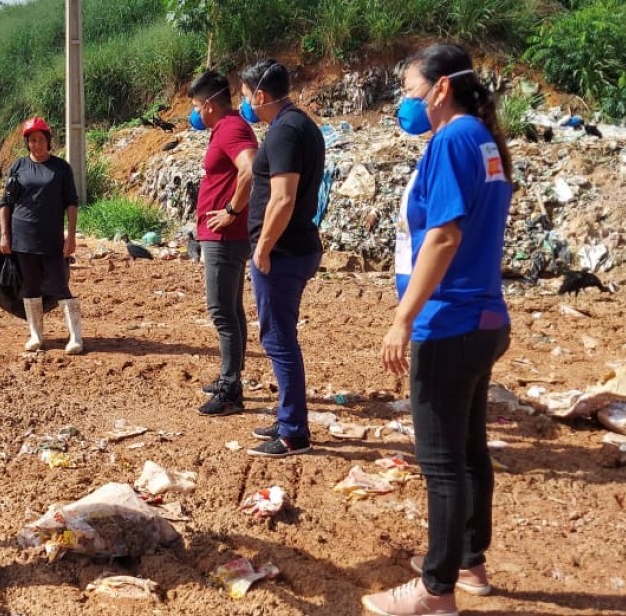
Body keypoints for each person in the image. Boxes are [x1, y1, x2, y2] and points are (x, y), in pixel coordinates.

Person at [360, 44, 513, 616]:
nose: (406, 99)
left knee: (442, 461)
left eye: (409, 87)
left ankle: (434, 590)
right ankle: (469, 560)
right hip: (483, 318)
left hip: (447, 321)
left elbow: (444, 236)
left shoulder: (451, 140)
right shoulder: (483, 140)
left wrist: (403, 318)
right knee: (470, 450)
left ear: (440, 87)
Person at [237, 59, 325, 458]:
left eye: (244, 95)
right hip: (295, 248)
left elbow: (284, 198)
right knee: (279, 337)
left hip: (283, 254)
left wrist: (263, 248)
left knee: (278, 340)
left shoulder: (285, 132)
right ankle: (288, 416)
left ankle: (294, 433)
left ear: (260, 95)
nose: (244, 104)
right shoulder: (299, 124)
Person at [187, 70, 258, 417]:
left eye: (198, 106)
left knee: (221, 311)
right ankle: (231, 376)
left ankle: (231, 389)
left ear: (211, 104)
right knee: (232, 308)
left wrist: (230, 211)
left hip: (224, 236)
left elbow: (251, 168)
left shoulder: (231, 128)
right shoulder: (226, 128)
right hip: (221, 234)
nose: (197, 113)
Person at [0, 116, 84, 355]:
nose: (36, 144)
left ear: (48, 141)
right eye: (32, 140)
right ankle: (36, 335)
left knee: (60, 285)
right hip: (23, 237)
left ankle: (75, 336)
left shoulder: (60, 168)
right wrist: (5, 235)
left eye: (40, 140)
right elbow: (6, 202)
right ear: (27, 143)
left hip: (51, 238)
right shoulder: (18, 167)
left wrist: (71, 236)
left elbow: (71, 203)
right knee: (30, 285)